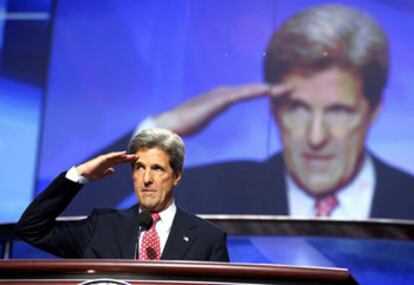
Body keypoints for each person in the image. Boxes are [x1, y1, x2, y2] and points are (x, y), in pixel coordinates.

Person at [64, 4, 414, 219]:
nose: (316, 137)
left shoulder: (408, 199)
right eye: (297, 108)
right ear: (275, 111)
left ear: (373, 111)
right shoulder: (207, 191)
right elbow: (56, 220)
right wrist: (159, 130)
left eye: (338, 112)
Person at [15, 128, 230, 261]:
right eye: (139, 168)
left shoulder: (207, 239)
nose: (146, 179)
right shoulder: (102, 226)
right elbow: (31, 228)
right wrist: (79, 174)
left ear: (176, 176)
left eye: (157, 168)